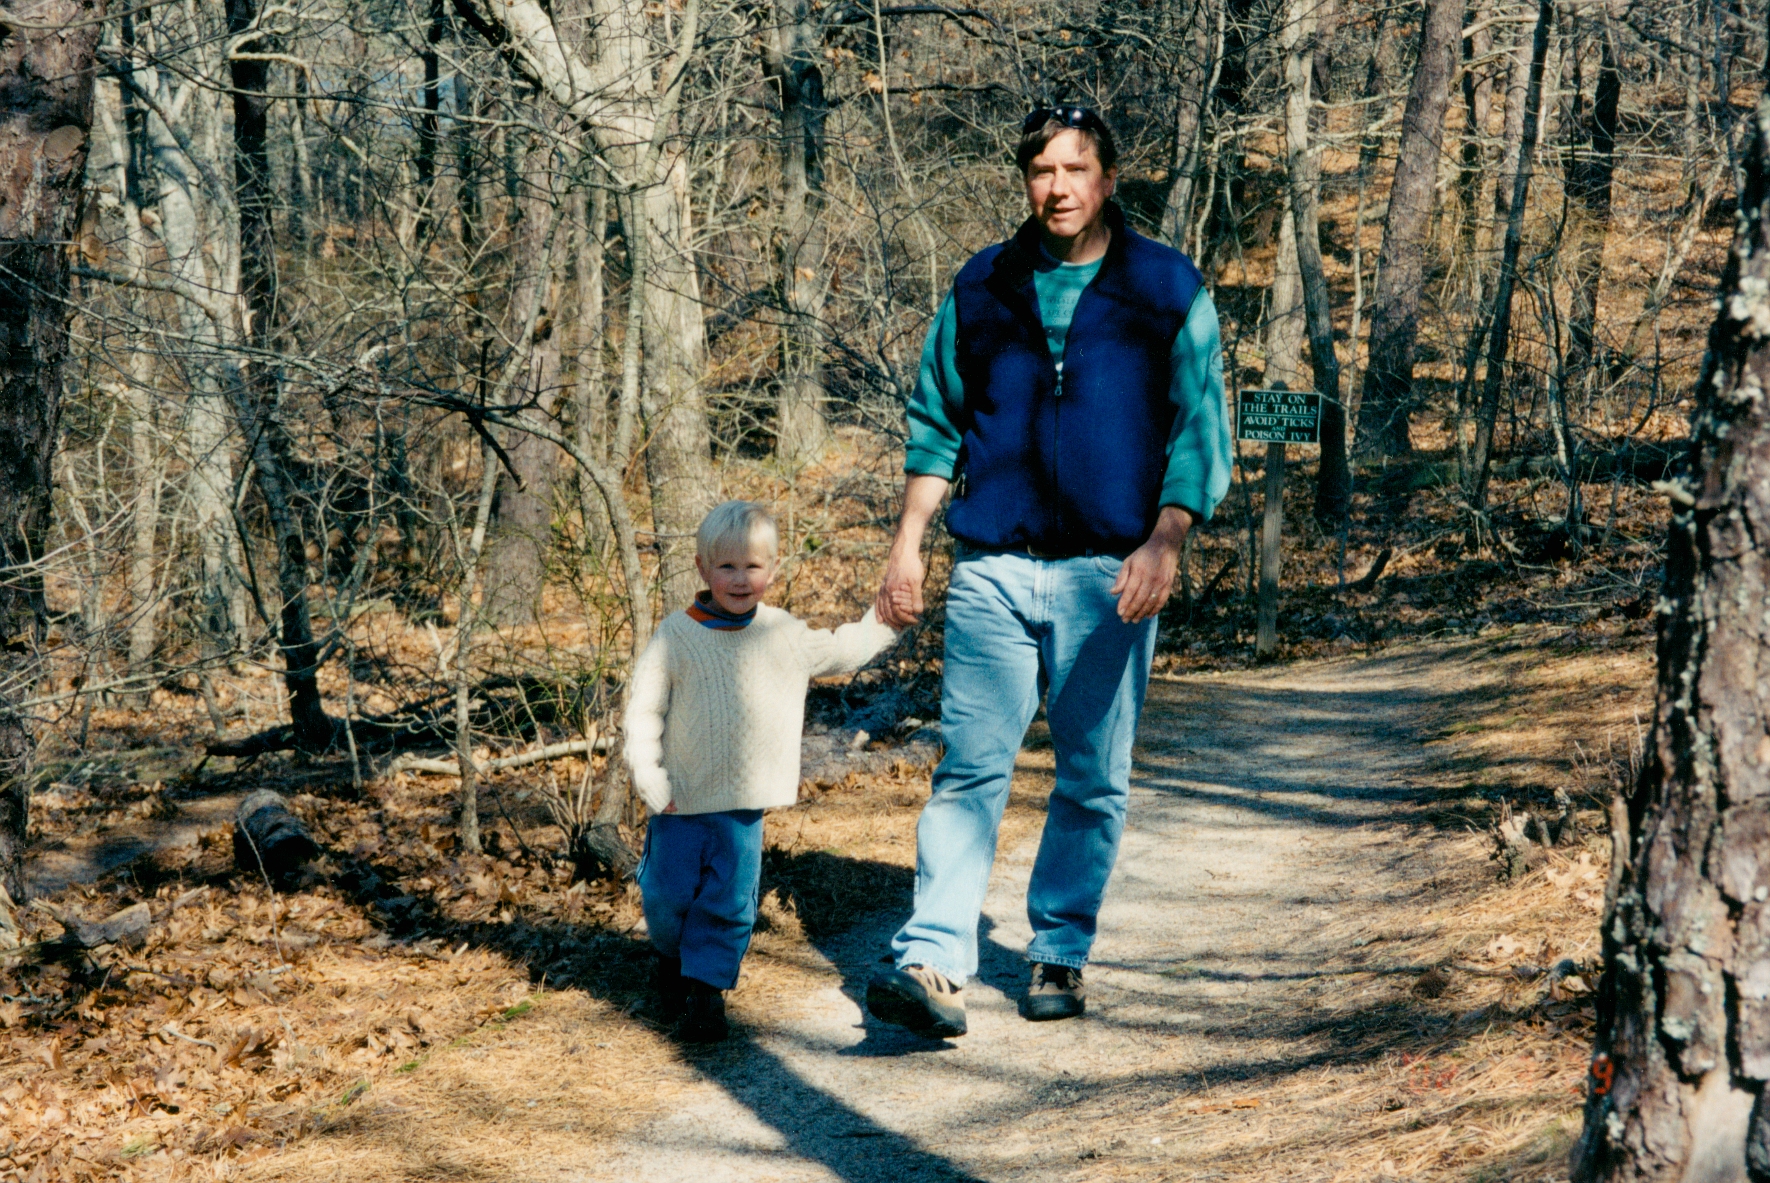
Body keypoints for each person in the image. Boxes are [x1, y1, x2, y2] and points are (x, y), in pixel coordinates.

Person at [864, 106, 1233, 1038]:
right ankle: (932, 961)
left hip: (1110, 574)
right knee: (969, 773)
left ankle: (1059, 947)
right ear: (1024, 181)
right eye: (1041, 170)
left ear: (1107, 180)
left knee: (1091, 778)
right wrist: (908, 542)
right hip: (992, 565)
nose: (1058, 187)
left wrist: (1166, 539)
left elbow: (1201, 431)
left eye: (1076, 169)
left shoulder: (1164, 287)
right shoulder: (983, 286)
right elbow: (935, 421)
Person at [624, 500, 898, 1041]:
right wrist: (650, 775)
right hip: (679, 801)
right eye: (726, 567)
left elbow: (842, 650)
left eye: (753, 566)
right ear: (702, 569)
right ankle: (672, 960)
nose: (740, 579)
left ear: (772, 570)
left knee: (728, 901)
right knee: (666, 895)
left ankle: (706, 994)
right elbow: (643, 708)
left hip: (742, 805)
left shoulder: (783, 634)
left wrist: (885, 620)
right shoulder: (675, 636)